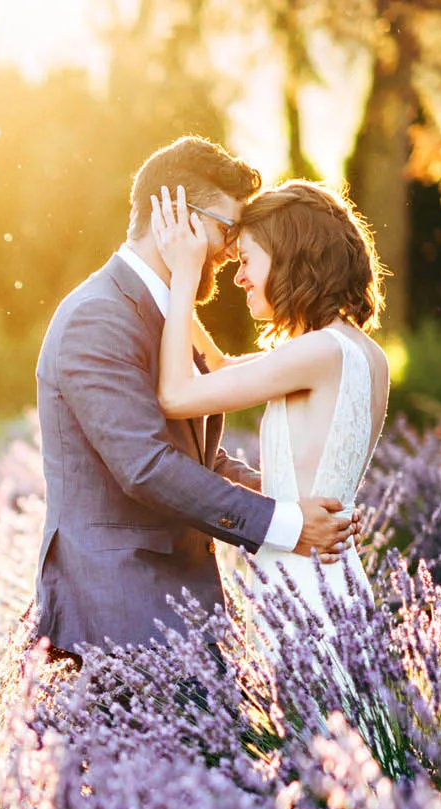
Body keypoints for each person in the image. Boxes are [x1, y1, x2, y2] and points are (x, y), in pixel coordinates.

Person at [32, 136, 356, 663]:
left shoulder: (170, 314)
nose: (231, 253)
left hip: (181, 605)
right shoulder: (98, 318)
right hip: (117, 608)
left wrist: (294, 502)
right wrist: (287, 527)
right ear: (176, 216)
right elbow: (148, 467)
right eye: (227, 230)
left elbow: (200, 456)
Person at [148, 178, 391, 658]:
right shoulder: (360, 351)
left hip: (302, 582)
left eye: (246, 261)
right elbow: (216, 366)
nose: (239, 278)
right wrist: (163, 272)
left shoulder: (317, 352)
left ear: (290, 258)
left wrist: (184, 275)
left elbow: (177, 395)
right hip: (327, 575)